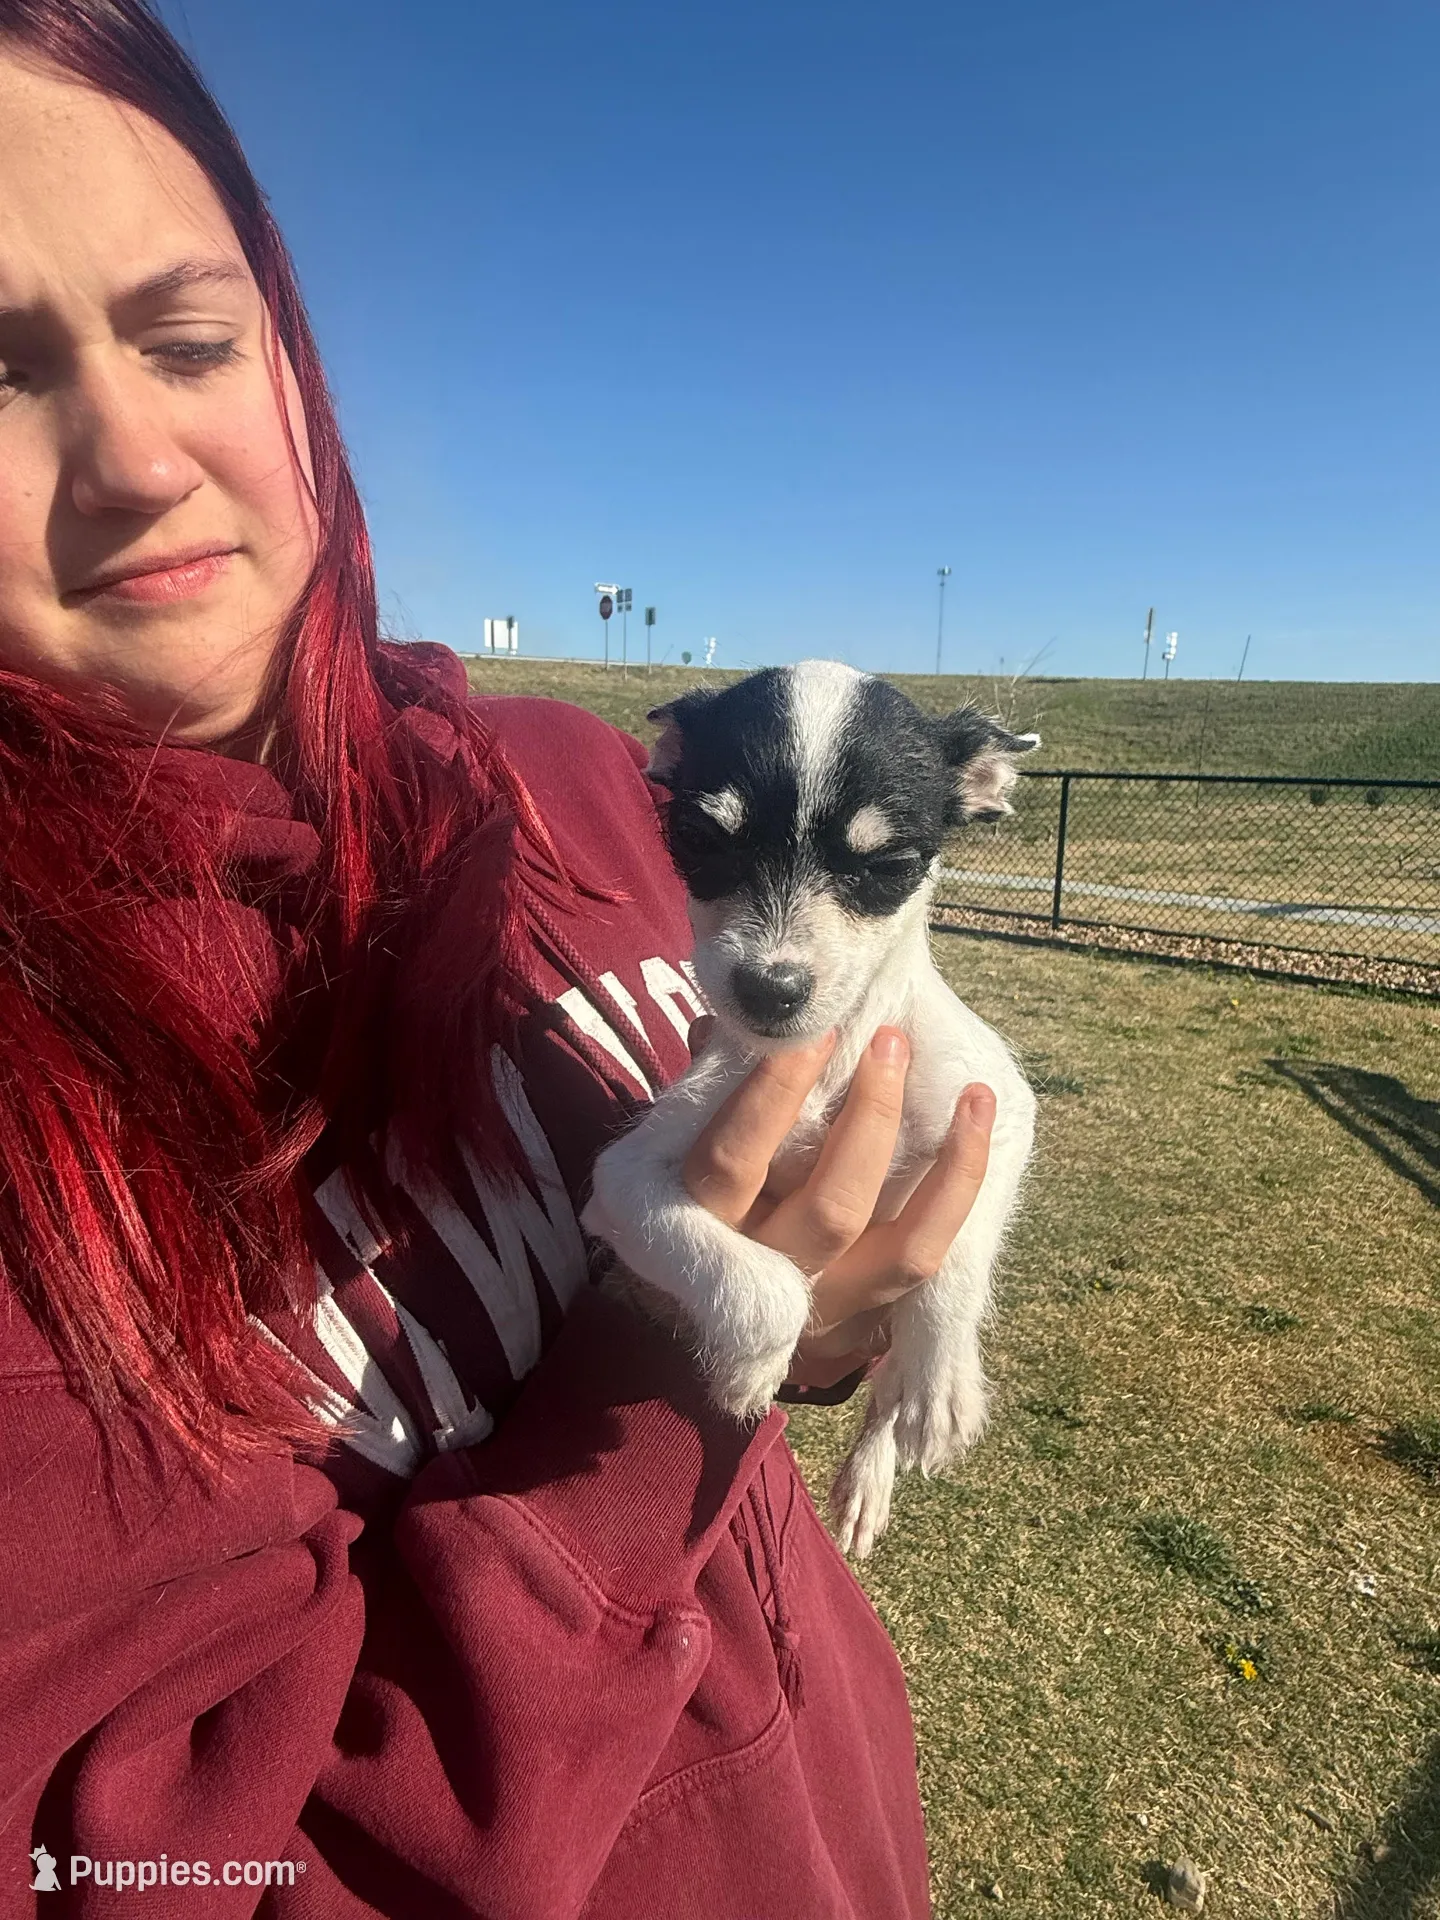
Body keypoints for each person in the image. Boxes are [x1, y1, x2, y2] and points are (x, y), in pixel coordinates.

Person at [0, 4, 998, 1914]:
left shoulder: (566, 785)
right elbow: (139, 1873)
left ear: (294, 358)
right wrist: (679, 1362)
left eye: (192, 337)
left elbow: (726, 1255)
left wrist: (824, 1310)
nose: (132, 455)